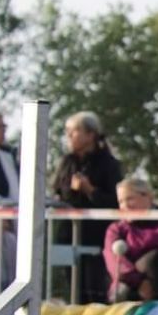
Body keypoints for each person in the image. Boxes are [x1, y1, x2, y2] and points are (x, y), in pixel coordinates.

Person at [51, 111, 122, 303]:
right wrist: (72, 190)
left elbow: (115, 202)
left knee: (94, 289)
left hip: (96, 237)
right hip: (68, 235)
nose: (69, 137)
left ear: (90, 134)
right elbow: (57, 192)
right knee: (69, 287)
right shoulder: (66, 162)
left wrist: (90, 190)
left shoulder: (109, 164)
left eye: (74, 131)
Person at [103, 177, 158, 301]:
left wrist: (153, 283)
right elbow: (116, 263)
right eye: (121, 201)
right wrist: (140, 283)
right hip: (132, 287)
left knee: (154, 259)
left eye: (130, 199)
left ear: (148, 197)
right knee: (120, 292)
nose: (125, 206)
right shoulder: (116, 229)